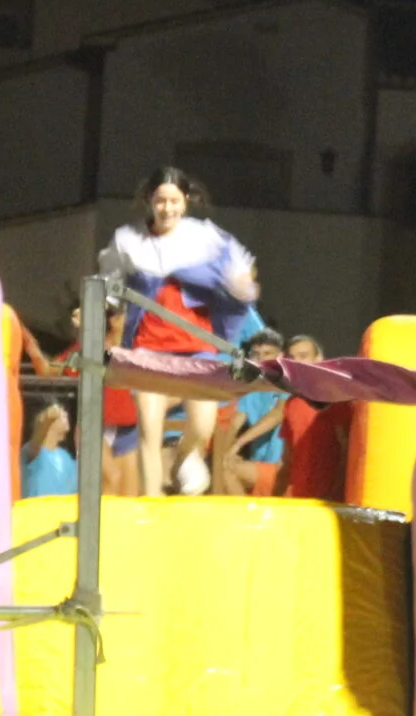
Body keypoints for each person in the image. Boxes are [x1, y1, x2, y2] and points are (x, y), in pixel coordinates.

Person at [101, 166, 260, 496]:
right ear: (150, 201)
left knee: (203, 425)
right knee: (149, 429)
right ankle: (152, 501)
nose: (167, 208)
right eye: (160, 201)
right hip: (148, 348)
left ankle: (185, 457)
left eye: (174, 201)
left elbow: (240, 270)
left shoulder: (204, 237)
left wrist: (241, 284)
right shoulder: (129, 241)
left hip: (197, 345)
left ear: (185, 202)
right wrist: (101, 304)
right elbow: (109, 281)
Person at [212, 330, 288, 498]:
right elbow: (234, 422)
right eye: (256, 354)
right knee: (220, 468)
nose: (260, 359)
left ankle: (248, 518)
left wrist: (238, 444)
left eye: (267, 354)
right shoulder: (251, 388)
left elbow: (278, 414)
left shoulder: (287, 380)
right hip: (258, 464)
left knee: (226, 471)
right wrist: (224, 455)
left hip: (283, 469)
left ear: (281, 356)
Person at [22, 402, 79, 499]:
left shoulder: (66, 457)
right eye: (61, 415)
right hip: (36, 512)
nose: (65, 415)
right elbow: (37, 440)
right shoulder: (32, 452)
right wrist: (47, 419)